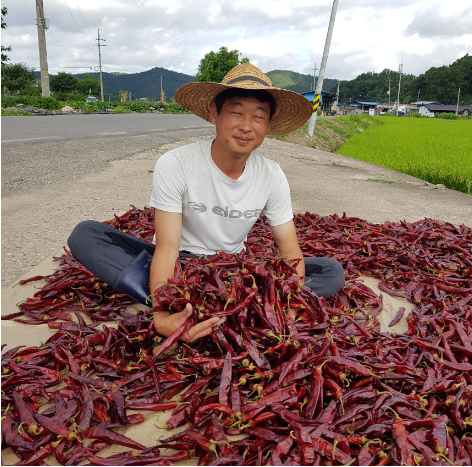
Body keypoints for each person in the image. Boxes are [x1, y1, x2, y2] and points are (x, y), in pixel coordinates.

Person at [68, 63, 345, 344]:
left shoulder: (271, 175)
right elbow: (166, 248)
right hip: (179, 265)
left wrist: (289, 300)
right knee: (86, 235)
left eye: (258, 117)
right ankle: (227, 304)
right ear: (215, 113)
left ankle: (211, 303)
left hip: (233, 269)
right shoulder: (176, 164)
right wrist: (161, 311)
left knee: (331, 271)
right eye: (236, 113)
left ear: (268, 124)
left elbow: (289, 249)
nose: (246, 126)